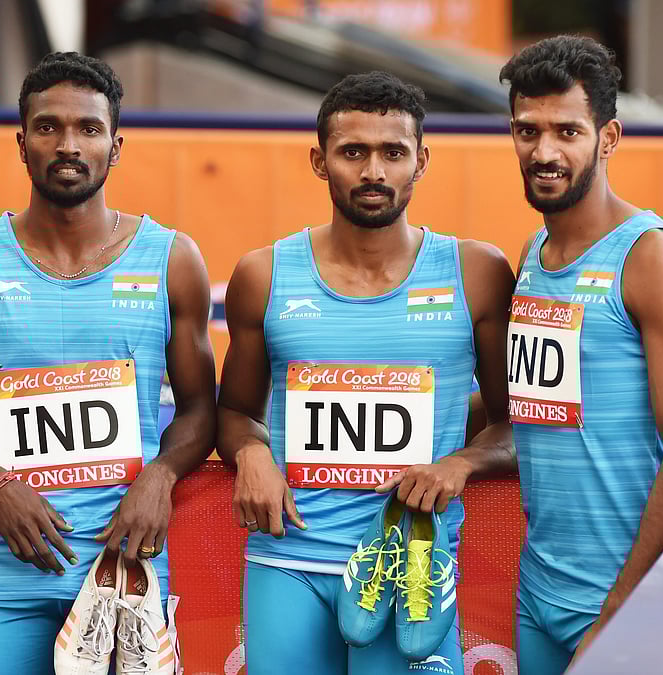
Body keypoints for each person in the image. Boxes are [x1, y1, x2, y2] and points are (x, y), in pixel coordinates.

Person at [0, 52, 216, 675]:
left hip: (126, 566)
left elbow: (201, 406)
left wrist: (162, 475)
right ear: (22, 143)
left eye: (88, 129)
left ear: (114, 146)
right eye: (48, 127)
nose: (68, 144)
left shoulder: (172, 259)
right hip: (4, 572)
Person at [216, 71, 516, 675]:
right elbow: (233, 414)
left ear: (421, 160)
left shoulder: (477, 273)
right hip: (287, 563)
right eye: (353, 151)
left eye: (393, 152)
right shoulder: (263, 274)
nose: (374, 171)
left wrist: (461, 463)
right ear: (320, 161)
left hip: (412, 573)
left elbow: (517, 425)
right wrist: (250, 454)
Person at [498, 36, 663, 674]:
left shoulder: (654, 259)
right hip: (537, 593)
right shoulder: (532, 258)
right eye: (526, 131)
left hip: (622, 602)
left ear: (609, 136)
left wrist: (619, 613)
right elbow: (529, 412)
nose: (544, 152)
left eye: (567, 131)